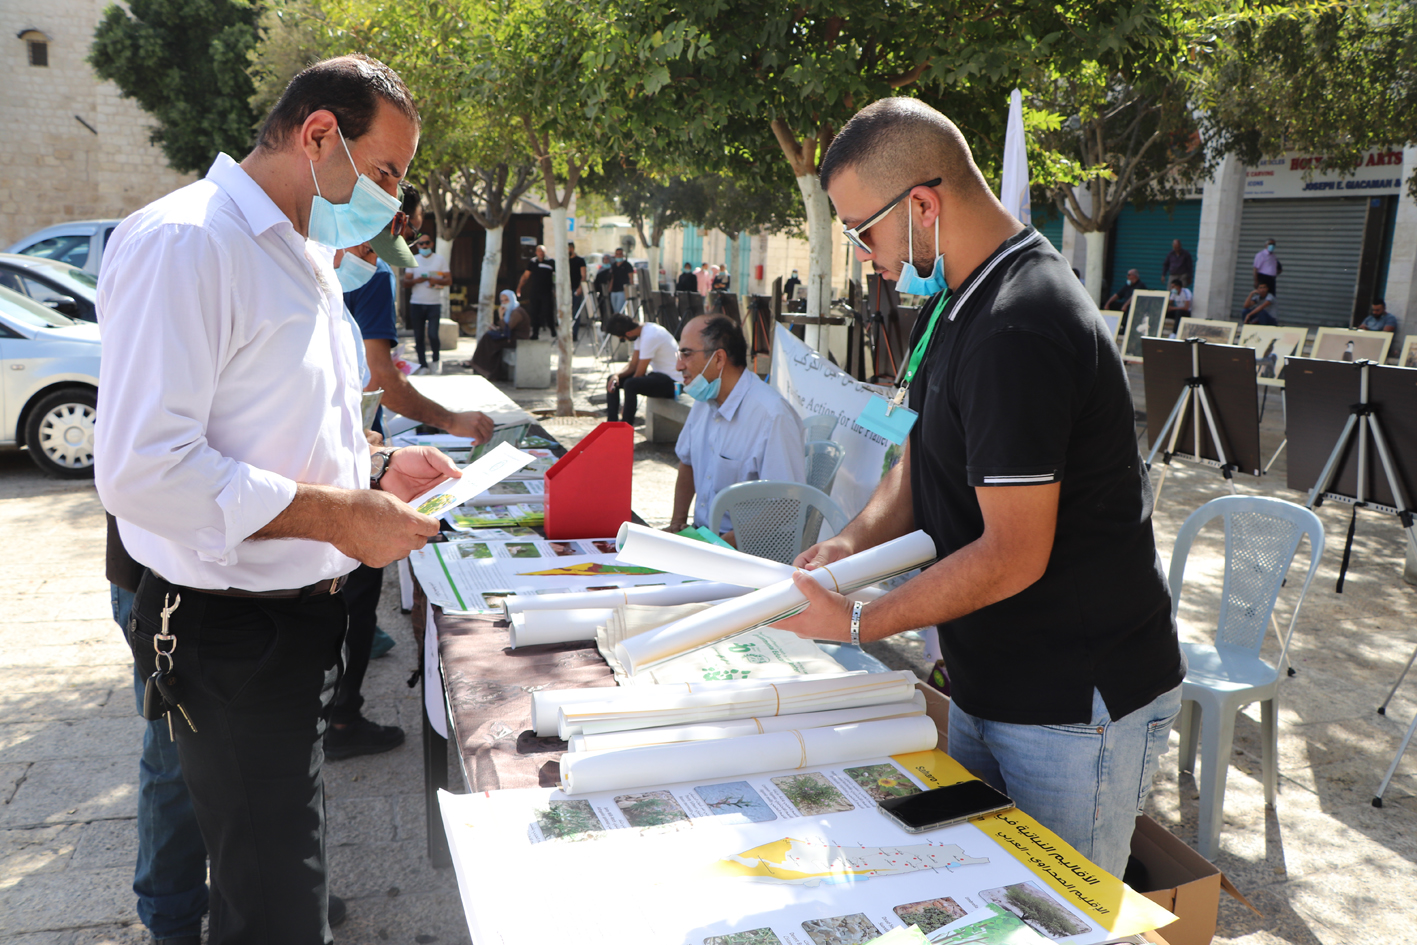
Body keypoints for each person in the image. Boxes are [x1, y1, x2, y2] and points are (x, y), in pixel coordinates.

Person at [94, 54, 468, 944]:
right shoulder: (189, 242)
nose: (393, 202)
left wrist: (374, 473)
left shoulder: (302, 255)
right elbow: (144, 468)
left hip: (292, 625)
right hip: (232, 631)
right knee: (277, 908)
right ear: (318, 135)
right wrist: (341, 516)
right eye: (386, 173)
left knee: (271, 885)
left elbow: (276, 427)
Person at [779, 96, 1183, 877]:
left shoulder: (1018, 325)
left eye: (861, 231)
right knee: (973, 886)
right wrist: (847, 545)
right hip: (990, 680)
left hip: (1071, 704)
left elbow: (1011, 554)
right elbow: (916, 460)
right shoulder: (952, 301)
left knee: (1055, 910)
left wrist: (858, 621)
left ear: (922, 207)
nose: (860, 255)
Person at [337, 235, 493, 762]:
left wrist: (376, 458)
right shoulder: (365, 277)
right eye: (373, 251)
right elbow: (380, 376)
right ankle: (341, 716)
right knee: (352, 602)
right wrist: (447, 423)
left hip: (356, 475)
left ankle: (336, 711)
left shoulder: (333, 284)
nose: (378, 264)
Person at [668, 315, 806, 539]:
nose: (678, 365)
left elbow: (786, 505)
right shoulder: (704, 401)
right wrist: (677, 524)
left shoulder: (772, 416)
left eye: (687, 354)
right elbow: (687, 461)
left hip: (746, 547)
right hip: (703, 536)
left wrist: (723, 544)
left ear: (718, 359)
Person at [604, 313, 682, 425]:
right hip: (659, 376)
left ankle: (626, 425)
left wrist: (626, 406)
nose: (625, 340)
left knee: (630, 384)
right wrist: (617, 375)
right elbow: (633, 365)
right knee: (612, 380)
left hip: (673, 382)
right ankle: (611, 424)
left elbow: (640, 373)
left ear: (628, 333)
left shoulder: (650, 336)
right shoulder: (641, 332)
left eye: (623, 339)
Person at [401, 232, 450, 372]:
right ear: (417, 246)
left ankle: (436, 361)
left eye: (426, 243)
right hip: (417, 303)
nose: (424, 246)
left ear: (431, 244)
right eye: (421, 243)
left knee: (433, 334)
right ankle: (423, 365)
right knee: (419, 336)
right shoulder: (413, 259)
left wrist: (435, 280)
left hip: (434, 303)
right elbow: (405, 282)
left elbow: (448, 280)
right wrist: (416, 281)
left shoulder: (440, 259)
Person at [469, 289, 533, 376]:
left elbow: (507, 329)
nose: (504, 303)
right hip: (511, 337)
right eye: (502, 301)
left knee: (489, 339)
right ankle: (481, 367)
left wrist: (500, 316)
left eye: (506, 300)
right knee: (488, 337)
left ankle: (484, 368)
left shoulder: (517, 312)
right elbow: (506, 329)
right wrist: (496, 328)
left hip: (518, 339)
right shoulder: (511, 311)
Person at [517, 244, 556, 339]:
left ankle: (553, 330)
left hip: (547, 291)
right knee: (535, 312)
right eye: (539, 251)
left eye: (542, 251)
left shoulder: (551, 262)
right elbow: (525, 276)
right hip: (535, 292)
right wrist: (519, 287)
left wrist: (556, 290)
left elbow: (557, 276)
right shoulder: (533, 262)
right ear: (536, 253)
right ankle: (535, 333)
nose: (541, 253)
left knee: (548, 311)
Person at [567, 241, 589, 341]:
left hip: (576, 289)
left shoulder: (580, 261)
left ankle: (574, 333)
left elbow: (583, 276)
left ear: (572, 248)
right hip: (566, 290)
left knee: (575, 311)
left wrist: (580, 288)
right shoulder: (565, 261)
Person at [608, 247, 634, 314]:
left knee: (619, 310)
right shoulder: (613, 265)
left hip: (622, 291)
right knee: (615, 310)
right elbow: (612, 278)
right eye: (617, 254)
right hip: (614, 290)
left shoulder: (627, 265)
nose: (618, 255)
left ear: (622, 255)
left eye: (620, 254)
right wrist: (610, 289)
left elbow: (631, 279)